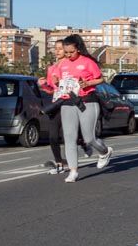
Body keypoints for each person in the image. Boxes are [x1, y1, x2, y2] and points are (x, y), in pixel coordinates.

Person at [50, 35, 114, 183]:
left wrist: (87, 83)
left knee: (88, 138)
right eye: (66, 52)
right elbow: (57, 79)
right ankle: (73, 171)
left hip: (87, 101)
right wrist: (55, 81)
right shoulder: (62, 64)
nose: (68, 55)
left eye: (71, 52)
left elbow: (100, 79)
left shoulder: (87, 62)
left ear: (78, 49)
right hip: (67, 102)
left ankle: (105, 151)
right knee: (69, 137)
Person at [38, 39, 68, 174]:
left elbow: (73, 82)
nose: (57, 51)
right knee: (53, 136)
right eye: (55, 48)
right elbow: (52, 89)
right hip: (56, 103)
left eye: (60, 48)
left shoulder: (69, 65)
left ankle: (84, 145)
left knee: (68, 134)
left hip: (68, 101)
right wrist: (44, 84)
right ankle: (59, 163)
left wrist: (61, 80)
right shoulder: (51, 68)